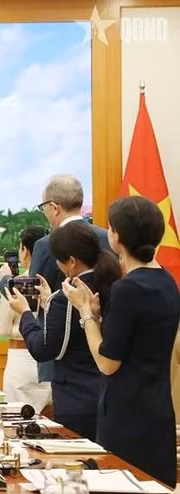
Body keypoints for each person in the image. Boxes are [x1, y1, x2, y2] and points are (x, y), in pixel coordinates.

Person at [64, 196, 180, 487]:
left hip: (126, 416)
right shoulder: (167, 281)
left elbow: (107, 363)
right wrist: (103, 319)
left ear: (117, 236)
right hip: (157, 412)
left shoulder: (128, 289)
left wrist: (84, 314)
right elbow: (138, 339)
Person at [6, 221, 120, 440]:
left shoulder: (67, 297)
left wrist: (25, 314)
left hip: (77, 399)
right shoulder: (112, 284)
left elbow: (45, 349)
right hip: (109, 397)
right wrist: (50, 301)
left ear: (71, 262)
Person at [0, 174, 111, 384]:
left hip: (59, 356)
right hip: (105, 352)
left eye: (43, 207)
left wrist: (6, 281)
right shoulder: (106, 237)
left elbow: (31, 292)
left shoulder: (47, 244)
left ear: (54, 207)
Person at [0, 226, 51, 413]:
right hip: (51, 362)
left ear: (25, 251)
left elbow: (3, 329)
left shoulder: (14, 283)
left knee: (16, 422)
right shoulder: (55, 281)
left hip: (20, 361)